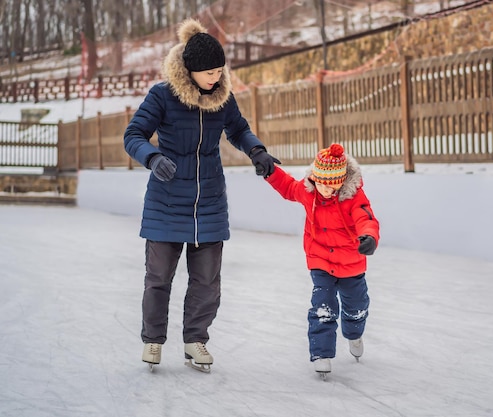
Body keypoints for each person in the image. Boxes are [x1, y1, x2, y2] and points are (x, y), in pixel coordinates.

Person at [123, 18, 280, 372]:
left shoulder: (222, 98)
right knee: (159, 278)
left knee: (207, 281)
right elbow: (133, 135)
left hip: (208, 201)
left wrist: (257, 151)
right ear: (190, 70)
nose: (216, 77)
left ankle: (195, 341)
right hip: (165, 202)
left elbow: (239, 129)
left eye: (220, 71)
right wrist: (153, 157)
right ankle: (153, 340)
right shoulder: (162, 95)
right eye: (209, 72)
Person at [264, 143, 380, 377]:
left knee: (356, 307)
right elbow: (287, 187)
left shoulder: (353, 196)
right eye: (322, 184)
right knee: (322, 306)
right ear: (315, 179)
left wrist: (369, 236)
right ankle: (322, 353)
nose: (326, 190)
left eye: (332, 184)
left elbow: (365, 217)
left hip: (350, 263)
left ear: (341, 180)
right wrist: (270, 171)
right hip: (320, 261)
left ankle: (354, 333)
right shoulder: (309, 192)